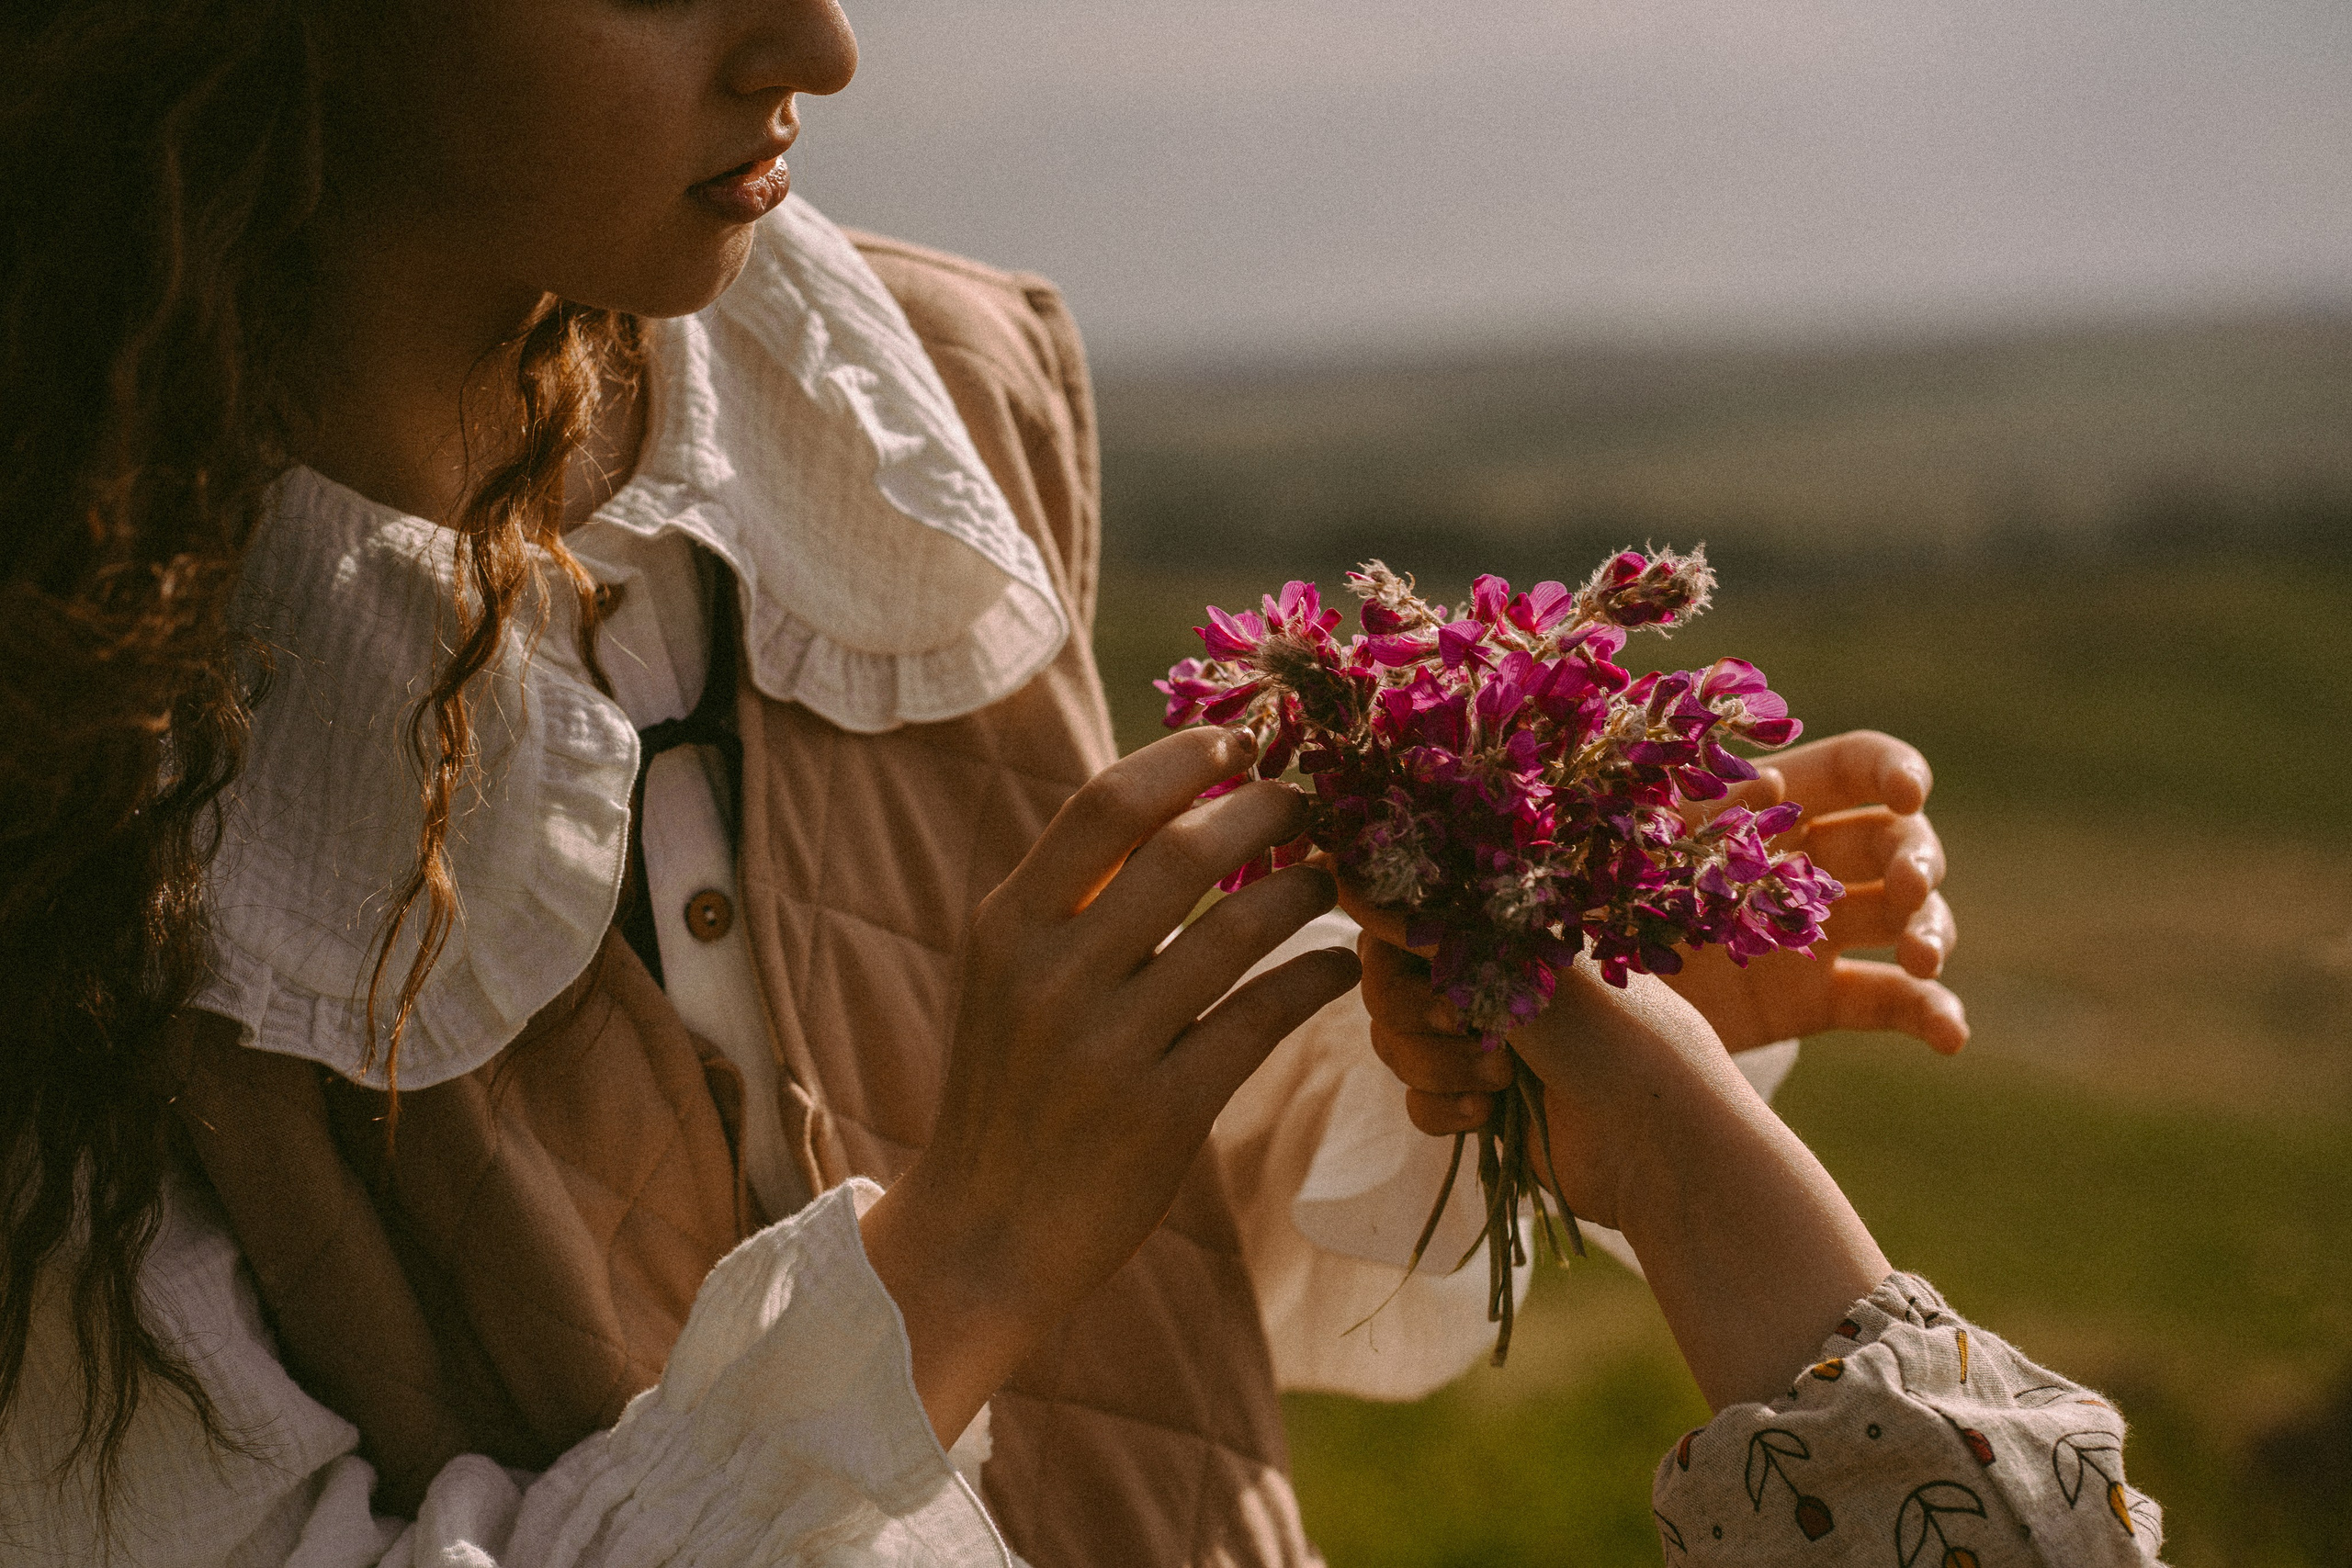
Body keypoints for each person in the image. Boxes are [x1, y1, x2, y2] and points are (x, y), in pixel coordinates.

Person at [0, 1, 2153, 1563]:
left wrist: (1527, 1045)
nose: (819, 44)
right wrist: (951, 1267)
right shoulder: (76, 745)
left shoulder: (911, 414)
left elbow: (1175, 1254)